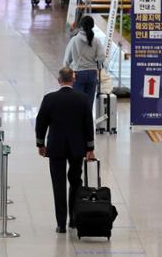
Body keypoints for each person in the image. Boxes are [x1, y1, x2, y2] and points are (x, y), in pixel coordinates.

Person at [35, 67, 95, 233]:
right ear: (73, 79)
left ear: (59, 80)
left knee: (58, 184)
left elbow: (41, 123)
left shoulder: (49, 99)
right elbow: (88, 125)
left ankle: (61, 223)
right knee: (75, 181)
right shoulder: (82, 99)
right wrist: (90, 148)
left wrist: (40, 144)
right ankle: (74, 219)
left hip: (56, 147)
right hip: (77, 148)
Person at [63, 15, 105, 109]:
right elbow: (101, 58)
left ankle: (78, 123)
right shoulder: (96, 41)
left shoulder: (74, 40)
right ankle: (88, 122)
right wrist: (96, 64)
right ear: (92, 26)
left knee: (77, 104)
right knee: (88, 105)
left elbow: (67, 60)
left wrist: (67, 72)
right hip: (92, 74)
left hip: (77, 74)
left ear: (81, 26)